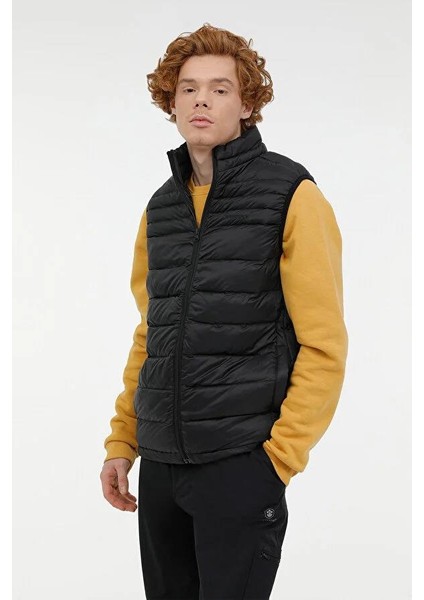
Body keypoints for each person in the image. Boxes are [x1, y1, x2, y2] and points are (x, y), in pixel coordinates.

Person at [100, 23, 348, 600]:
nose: (202, 101)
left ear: (248, 103)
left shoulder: (292, 194)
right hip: (161, 468)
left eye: (220, 88)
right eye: (188, 89)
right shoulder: (160, 209)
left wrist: (278, 459)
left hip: (241, 464)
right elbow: (152, 335)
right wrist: (123, 442)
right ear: (171, 102)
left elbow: (324, 343)